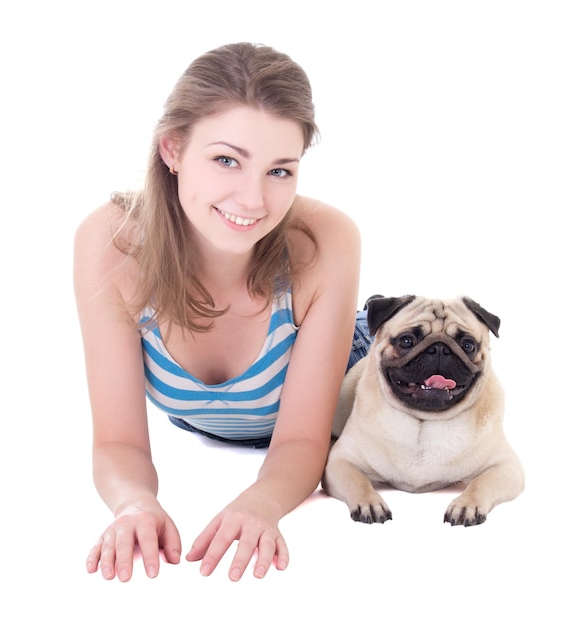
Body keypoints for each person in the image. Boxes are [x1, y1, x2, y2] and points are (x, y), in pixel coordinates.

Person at [73, 42, 369, 583]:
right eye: (227, 160)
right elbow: (117, 441)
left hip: (357, 370)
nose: (253, 201)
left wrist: (261, 502)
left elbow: (303, 440)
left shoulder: (326, 240)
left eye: (280, 171)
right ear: (172, 150)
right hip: (218, 428)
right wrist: (133, 504)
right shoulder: (112, 243)